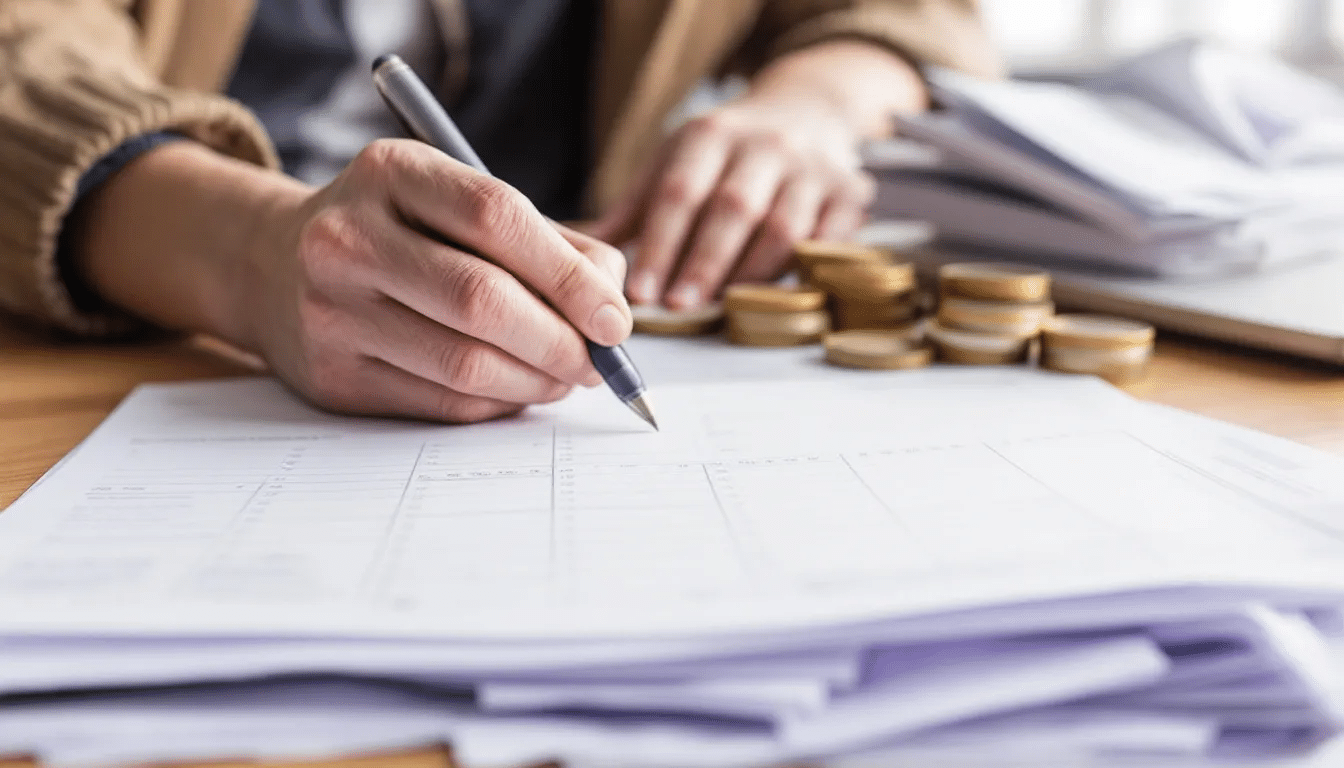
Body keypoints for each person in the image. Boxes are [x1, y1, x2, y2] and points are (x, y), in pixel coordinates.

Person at [0, 1, 1001, 423]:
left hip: (568, 299)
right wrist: (247, 253)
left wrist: (819, 100)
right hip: (114, 347)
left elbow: (910, 16)